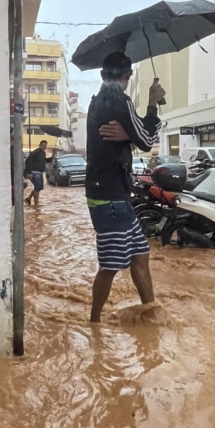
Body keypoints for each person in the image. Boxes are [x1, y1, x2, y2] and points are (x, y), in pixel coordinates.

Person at [85, 52, 165, 323]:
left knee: (141, 255)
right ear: (127, 76)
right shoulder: (121, 100)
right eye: (129, 75)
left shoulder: (96, 103)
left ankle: (151, 311)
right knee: (110, 266)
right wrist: (153, 104)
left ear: (101, 74)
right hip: (111, 198)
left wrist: (128, 134)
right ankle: (94, 323)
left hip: (112, 195)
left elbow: (131, 137)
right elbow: (147, 139)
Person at [24, 139, 48, 206]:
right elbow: (28, 161)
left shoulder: (43, 153)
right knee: (37, 188)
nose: (44, 146)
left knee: (38, 188)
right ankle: (36, 205)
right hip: (35, 173)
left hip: (39, 173)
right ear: (40, 145)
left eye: (46, 145)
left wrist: (52, 157)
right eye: (43, 145)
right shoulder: (35, 152)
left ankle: (29, 199)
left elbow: (45, 161)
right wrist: (29, 173)